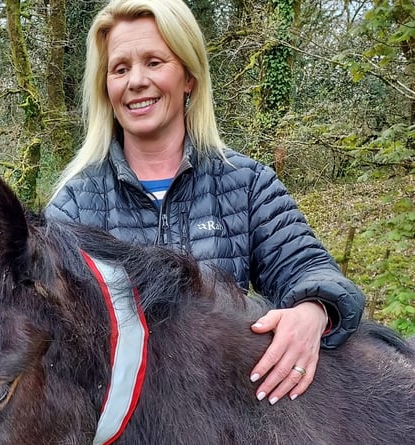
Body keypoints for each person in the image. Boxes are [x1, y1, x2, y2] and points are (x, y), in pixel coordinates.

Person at [45, 0, 365, 406]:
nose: (136, 81)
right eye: (120, 68)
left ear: (189, 77)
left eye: (154, 62)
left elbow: (311, 270)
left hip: (228, 419)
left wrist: (313, 310)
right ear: (105, 87)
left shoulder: (246, 183)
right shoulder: (72, 207)